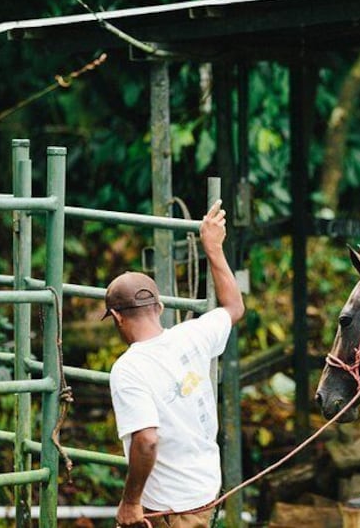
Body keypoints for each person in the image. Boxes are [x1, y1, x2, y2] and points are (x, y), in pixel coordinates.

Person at [104, 200, 245, 528]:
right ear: (160, 306)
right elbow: (234, 306)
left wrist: (130, 502)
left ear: (116, 316)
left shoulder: (128, 369)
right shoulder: (193, 335)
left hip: (170, 508)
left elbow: (147, 440)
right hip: (205, 492)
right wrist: (213, 247)